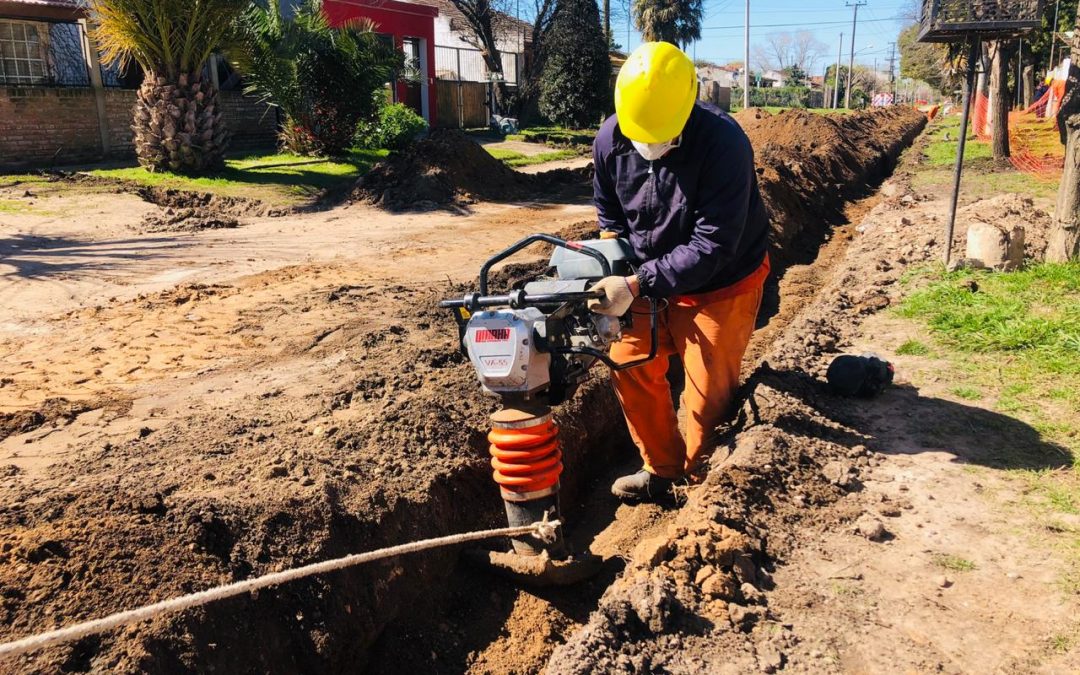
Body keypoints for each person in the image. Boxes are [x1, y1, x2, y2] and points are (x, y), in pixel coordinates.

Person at [587, 42, 771, 503]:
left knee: (707, 396)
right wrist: (615, 259)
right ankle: (661, 470)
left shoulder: (724, 144)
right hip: (643, 277)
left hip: (719, 282)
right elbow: (608, 210)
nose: (649, 147)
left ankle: (704, 489)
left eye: (660, 138)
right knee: (630, 365)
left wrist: (635, 284)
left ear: (690, 104)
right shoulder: (611, 138)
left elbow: (713, 247)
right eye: (640, 137)